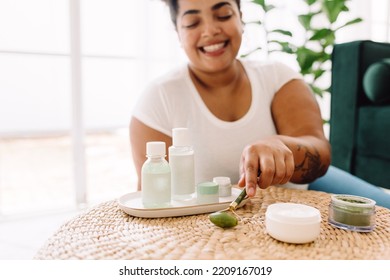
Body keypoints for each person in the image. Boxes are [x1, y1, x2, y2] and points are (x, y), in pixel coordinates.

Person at [130, 0, 390, 208]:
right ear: (178, 32)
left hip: (304, 190)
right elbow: (152, 197)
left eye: (223, 15)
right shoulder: (159, 98)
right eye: (192, 22)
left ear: (241, 19)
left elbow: (320, 155)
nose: (210, 31)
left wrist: (280, 145)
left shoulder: (277, 77)